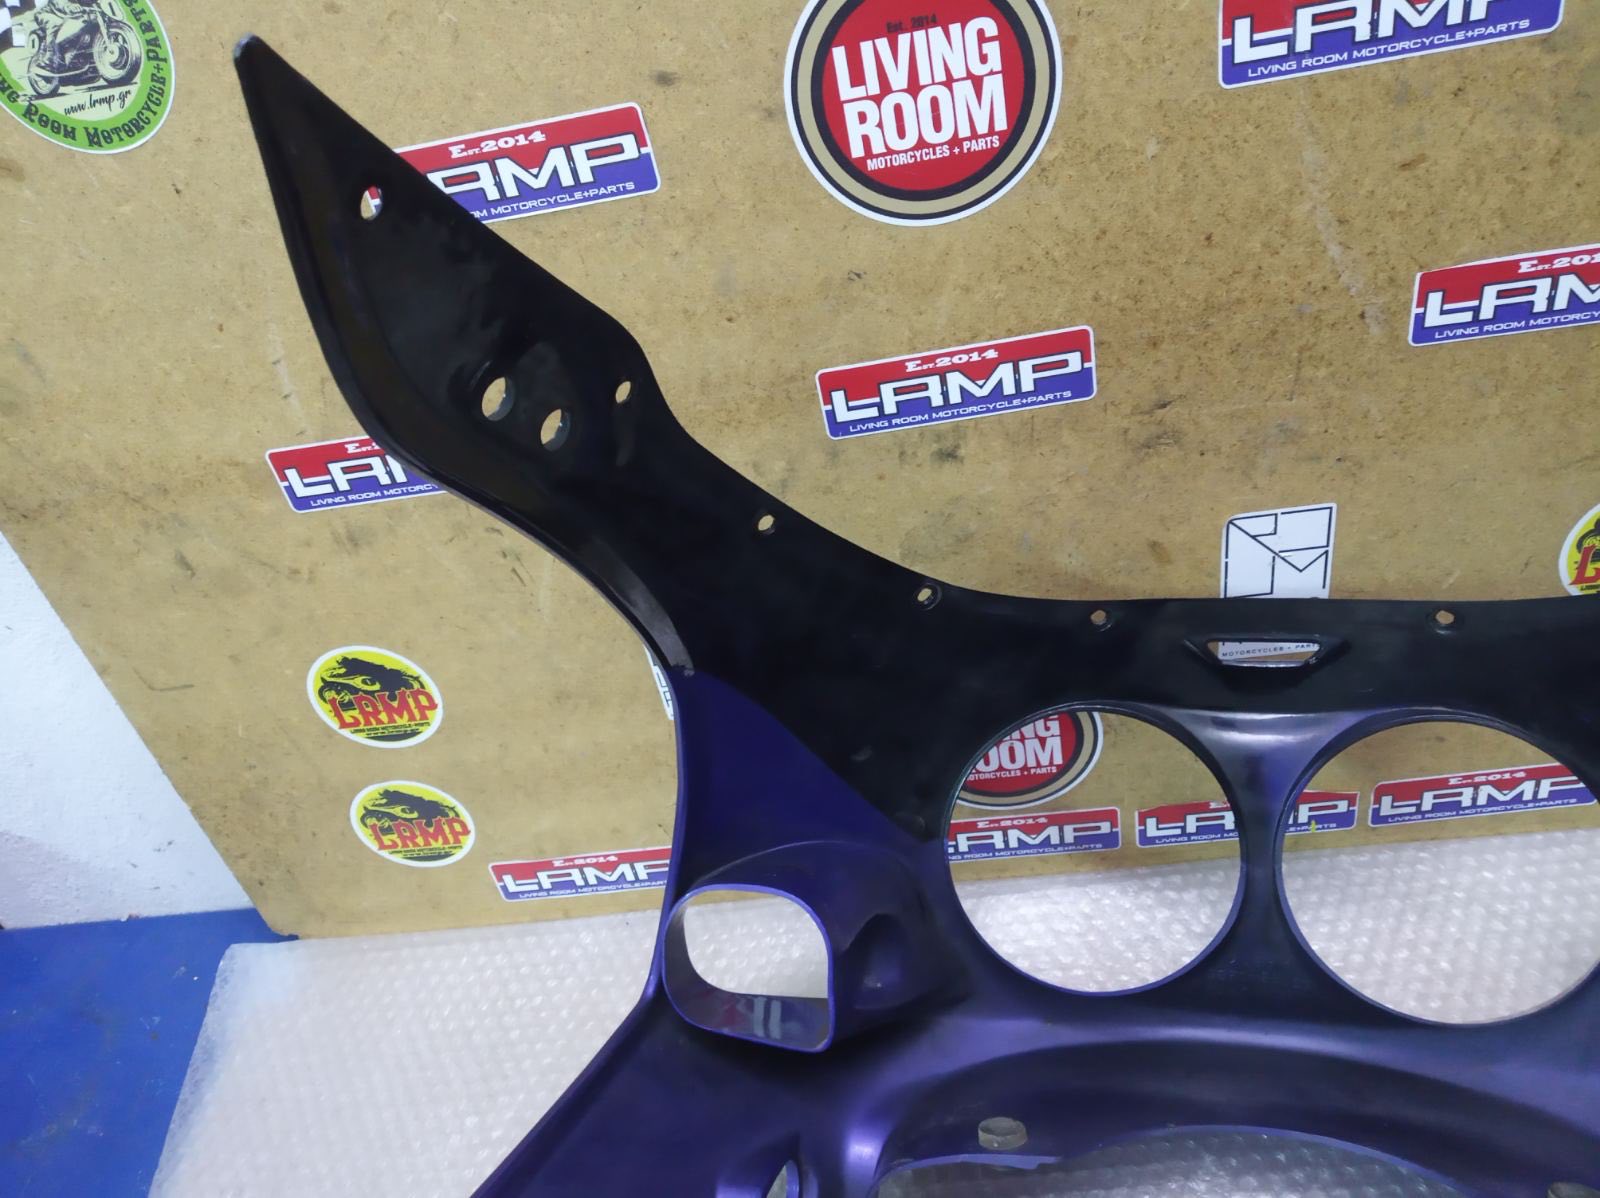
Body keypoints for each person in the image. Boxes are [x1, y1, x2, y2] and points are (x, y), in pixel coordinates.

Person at [35, 0, 98, 72]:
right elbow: (59, 2)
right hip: (49, 12)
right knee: (55, 23)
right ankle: (50, 58)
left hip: (67, 14)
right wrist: (69, 6)